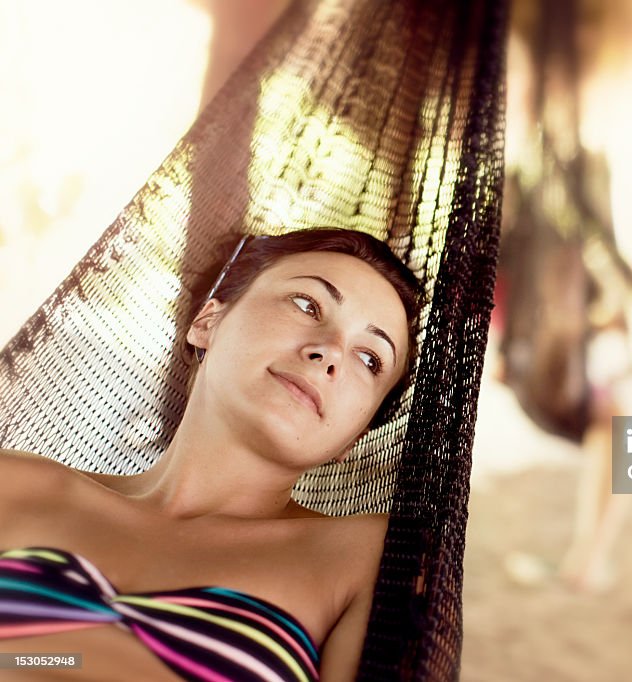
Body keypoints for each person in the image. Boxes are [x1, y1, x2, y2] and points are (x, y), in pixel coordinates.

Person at [0, 228, 421, 681]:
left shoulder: (371, 557)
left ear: (354, 437)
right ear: (207, 322)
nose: (331, 353)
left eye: (371, 358)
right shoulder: (16, 484)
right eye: (306, 304)